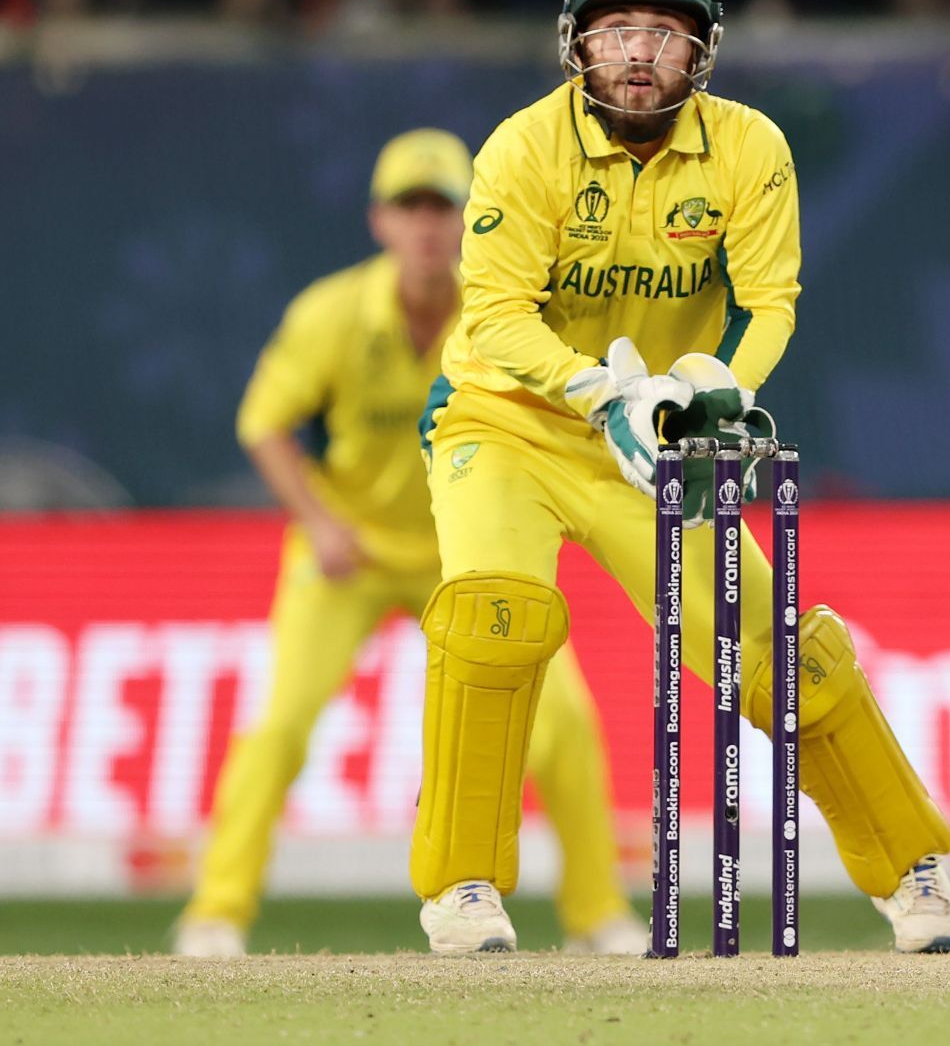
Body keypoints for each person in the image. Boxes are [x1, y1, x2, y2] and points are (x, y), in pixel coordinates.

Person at [410, 0, 950, 955]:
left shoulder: (749, 146)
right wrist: (598, 388)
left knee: (765, 638)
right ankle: (462, 886)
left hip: (660, 433)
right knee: (495, 617)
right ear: (576, 43)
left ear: (701, 53)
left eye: (662, 35)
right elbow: (492, 312)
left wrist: (717, 389)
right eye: (616, 29)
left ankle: (911, 869)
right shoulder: (523, 147)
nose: (636, 54)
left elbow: (770, 303)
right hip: (510, 420)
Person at [175, 130, 644, 957]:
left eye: (446, 206)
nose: (430, 224)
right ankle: (216, 912)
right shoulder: (331, 314)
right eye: (411, 206)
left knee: (565, 722)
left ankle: (596, 913)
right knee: (280, 724)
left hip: (468, 548)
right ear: (380, 221)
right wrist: (319, 522)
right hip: (349, 552)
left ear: (475, 219)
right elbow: (264, 425)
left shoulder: (505, 312)